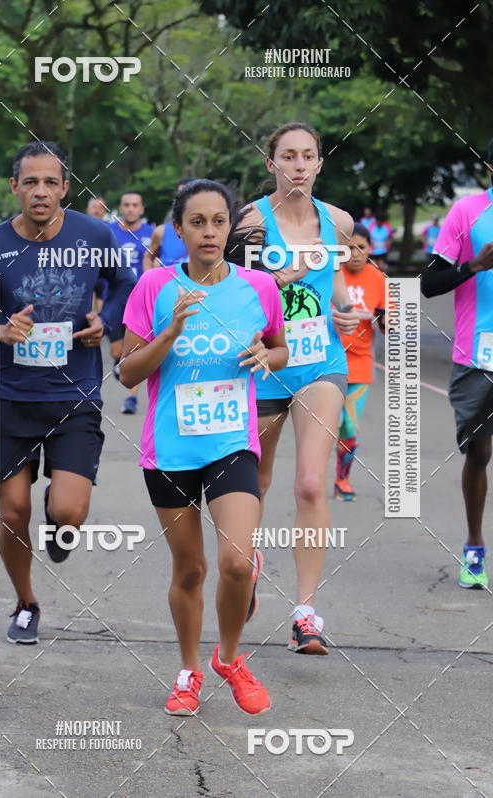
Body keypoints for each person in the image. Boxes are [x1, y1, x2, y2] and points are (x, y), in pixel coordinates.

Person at [0, 141, 135, 644]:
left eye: (51, 182)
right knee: (10, 512)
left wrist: (106, 321)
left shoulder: (93, 234)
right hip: (6, 399)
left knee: (70, 512)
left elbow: (125, 286)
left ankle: (59, 517)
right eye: (30, 181)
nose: (40, 191)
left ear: (65, 188)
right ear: (14, 187)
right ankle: (26, 602)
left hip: (73, 396)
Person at [120, 179, 288, 715]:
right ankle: (189, 671)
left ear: (230, 227)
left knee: (237, 562)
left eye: (219, 221)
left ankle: (230, 657)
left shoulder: (259, 288)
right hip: (169, 450)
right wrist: (167, 336)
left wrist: (269, 358)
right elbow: (125, 372)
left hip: (231, 443)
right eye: (198, 222)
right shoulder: (153, 286)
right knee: (190, 570)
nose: (209, 231)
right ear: (178, 229)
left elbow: (280, 349)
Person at [229, 121, 359, 655]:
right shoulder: (252, 223)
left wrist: (346, 312)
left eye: (308, 156)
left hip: (320, 363)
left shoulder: (339, 222)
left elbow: (339, 285)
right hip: (262, 364)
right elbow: (230, 291)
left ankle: (305, 612)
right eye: (288, 156)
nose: (299, 165)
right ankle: (250, 559)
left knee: (310, 484)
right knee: (255, 484)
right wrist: (281, 279)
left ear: (320, 164)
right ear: (271, 164)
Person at [421, 138, 493, 590]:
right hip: (478, 356)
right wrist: (473, 266)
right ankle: (473, 544)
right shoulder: (468, 213)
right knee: (480, 454)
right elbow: (429, 283)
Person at [335, 224, 387, 501]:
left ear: (370, 249)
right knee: (334, 421)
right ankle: (312, 479)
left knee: (350, 426)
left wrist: (384, 319)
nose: (354, 254)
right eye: (348, 248)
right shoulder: (331, 274)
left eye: (361, 248)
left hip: (361, 362)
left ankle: (342, 479)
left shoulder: (378, 278)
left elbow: (387, 324)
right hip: (329, 361)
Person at [107, 191, 154, 413]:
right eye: (126, 205)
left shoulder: (152, 234)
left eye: (135, 205)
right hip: (116, 299)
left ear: (142, 209)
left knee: (134, 349)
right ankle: (122, 367)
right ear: (121, 208)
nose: (131, 209)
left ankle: (131, 398)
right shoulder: (109, 233)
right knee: (117, 351)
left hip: (142, 300)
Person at [142, 178, 195, 271]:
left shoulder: (212, 231)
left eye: (189, 196)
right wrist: (149, 281)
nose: (184, 201)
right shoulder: (161, 231)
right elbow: (148, 257)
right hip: (170, 284)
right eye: (180, 196)